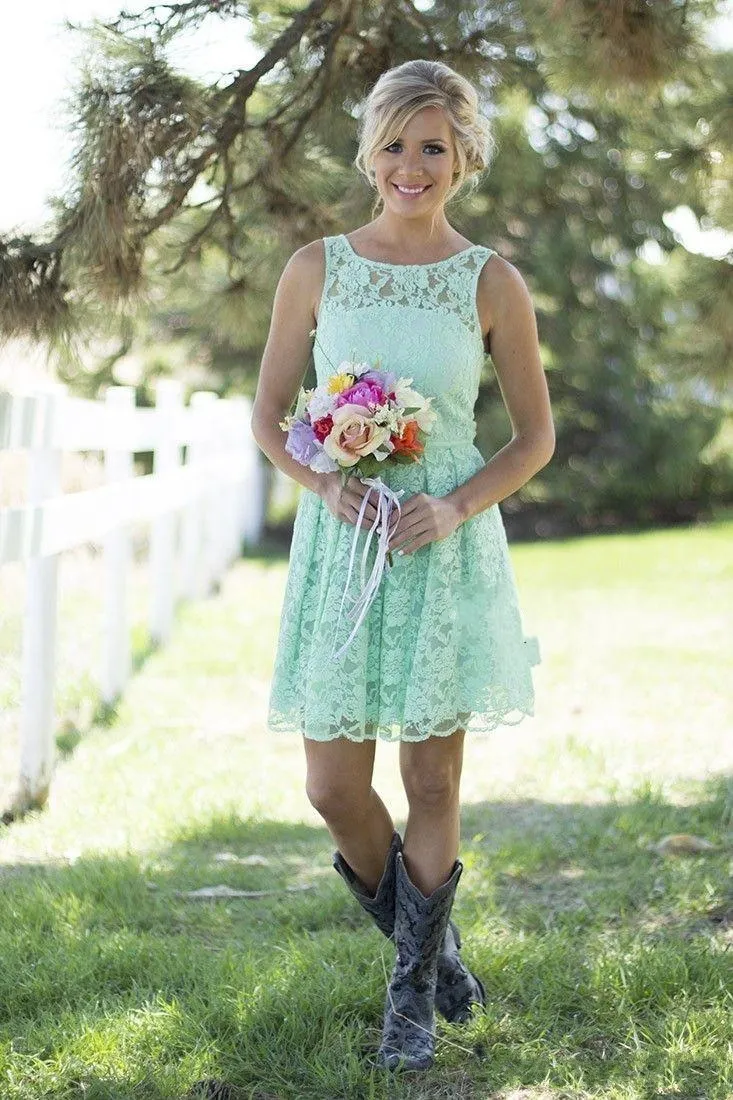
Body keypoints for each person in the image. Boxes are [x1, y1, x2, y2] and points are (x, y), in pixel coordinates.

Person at [251, 58, 555, 1073]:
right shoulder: (317, 266)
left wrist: (453, 504)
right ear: (368, 151)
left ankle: (412, 999)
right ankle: (438, 953)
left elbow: (531, 438)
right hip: (343, 548)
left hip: (443, 544)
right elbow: (269, 417)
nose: (411, 166)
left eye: (433, 146)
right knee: (334, 784)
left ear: (463, 154)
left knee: (432, 776)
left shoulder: (491, 281)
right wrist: (328, 484)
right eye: (394, 145)